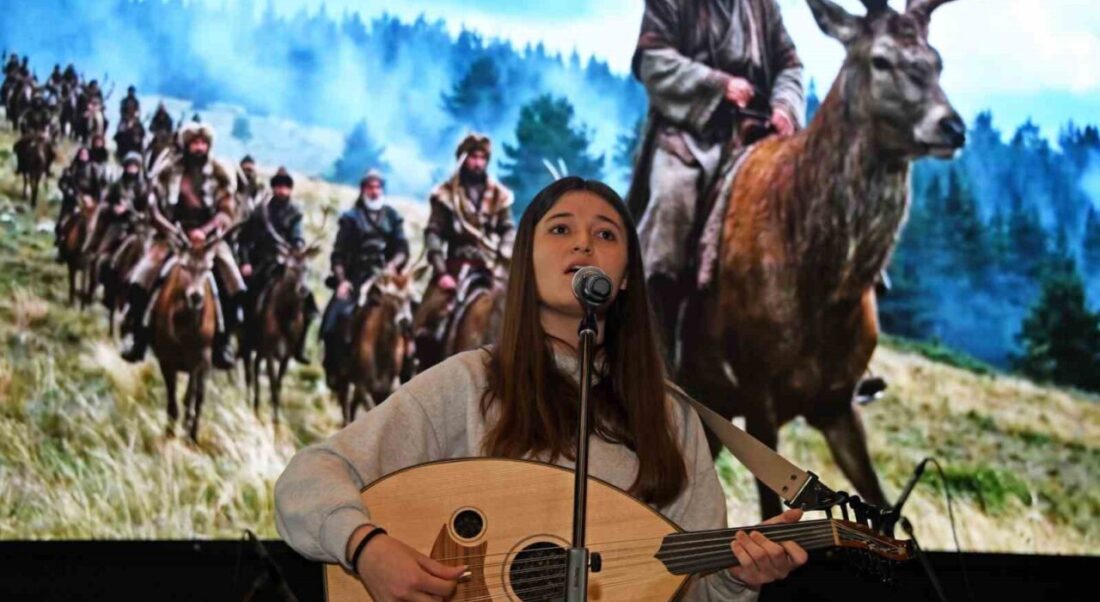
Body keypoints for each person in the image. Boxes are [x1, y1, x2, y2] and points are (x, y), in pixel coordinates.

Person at [275, 177, 808, 601]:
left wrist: (737, 580)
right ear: (526, 265)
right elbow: (308, 477)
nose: (583, 242)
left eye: (606, 234)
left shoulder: (670, 416)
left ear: (624, 280)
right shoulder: (467, 383)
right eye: (559, 230)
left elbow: (685, 592)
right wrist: (366, 548)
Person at [626, 0, 804, 356]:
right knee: (671, 206)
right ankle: (653, 348)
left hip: (756, 137)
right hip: (687, 136)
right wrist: (717, 84)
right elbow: (654, 62)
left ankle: (833, 361)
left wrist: (784, 107)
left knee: (807, 210)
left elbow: (789, 64)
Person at [118, 120, 244, 368]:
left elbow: (226, 211)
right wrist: (168, 227)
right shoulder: (168, 171)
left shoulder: (219, 175)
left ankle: (223, 341)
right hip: (172, 237)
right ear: (186, 145)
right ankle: (137, 336)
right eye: (194, 143)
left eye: (203, 143)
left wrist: (205, 231)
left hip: (208, 240)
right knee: (142, 276)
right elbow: (154, 208)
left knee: (233, 280)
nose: (199, 147)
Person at [413, 133, 515, 369]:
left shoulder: (499, 195)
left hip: (489, 267)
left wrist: (505, 250)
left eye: (482, 158)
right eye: (473, 157)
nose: (477, 163)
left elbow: (508, 228)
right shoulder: (446, 194)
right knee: (429, 320)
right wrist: (441, 273)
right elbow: (434, 234)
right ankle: (424, 369)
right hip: (455, 266)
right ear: (463, 159)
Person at [321, 169, 410, 375]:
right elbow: (338, 254)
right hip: (356, 278)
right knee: (334, 318)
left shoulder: (392, 217)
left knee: (407, 316)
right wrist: (342, 281)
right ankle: (335, 367)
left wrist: (393, 265)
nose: (374, 191)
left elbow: (402, 249)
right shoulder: (350, 218)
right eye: (370, 187)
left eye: (378, 187)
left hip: (387, 279)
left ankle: (407, 370)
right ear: (362, 190)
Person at [238, 167, 316, 363]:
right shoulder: (260, 212)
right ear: (273, 188)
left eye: (285, 187)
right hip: (263, 262)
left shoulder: (295, 212)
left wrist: (297, 247)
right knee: (249, 296)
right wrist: (246, 262)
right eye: (279, 186)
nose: (282, 190)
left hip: (289, 261)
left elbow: (297, 235)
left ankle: (299, 346)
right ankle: (246, 342)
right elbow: (244, 240)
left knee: (308, 303)